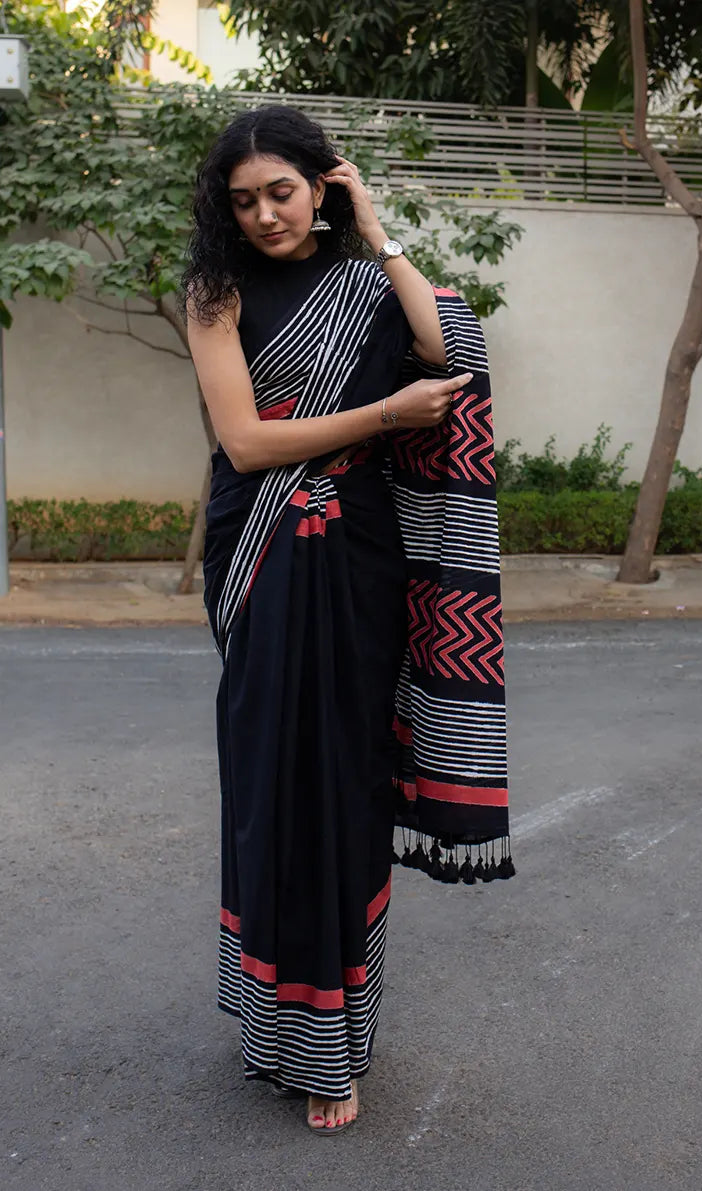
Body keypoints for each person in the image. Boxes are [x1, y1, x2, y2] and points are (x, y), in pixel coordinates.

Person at [183, 104, 512, 1136]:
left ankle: (333, 1046)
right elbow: (242, 443)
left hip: (359, 563)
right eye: (243, 202)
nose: (265, 215)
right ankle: (272, 1028)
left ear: (320, 183)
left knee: (342, 789)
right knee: (268, 786)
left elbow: (443, 345)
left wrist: (375, 229)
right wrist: (377, 419)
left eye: (281, 191)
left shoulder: (367, 277)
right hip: (261, 553)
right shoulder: (213, 292)